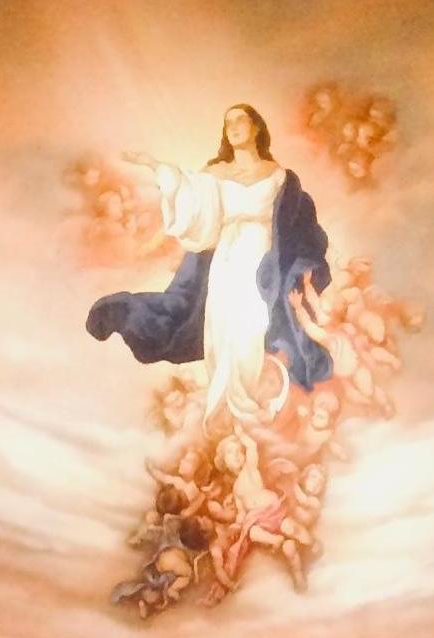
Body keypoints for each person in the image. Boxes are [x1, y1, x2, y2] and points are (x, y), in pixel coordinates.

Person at [87, 103, 333, 422]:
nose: (233, 127)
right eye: (228, 122)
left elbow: (297, 220)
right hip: (227, 254)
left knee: (250, 324)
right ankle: (223, 404)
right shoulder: (217, 173)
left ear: (256, 127)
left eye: (240, 120)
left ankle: (245, 402)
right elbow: (187, 195)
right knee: (222, 324)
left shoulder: (278, 175)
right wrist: (153, 165)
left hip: (261, 256)